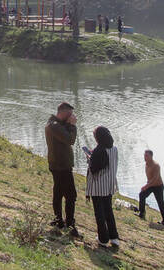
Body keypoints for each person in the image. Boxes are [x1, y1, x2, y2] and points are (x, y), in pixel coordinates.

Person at [45, 102, 81, 237]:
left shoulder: (55, 124)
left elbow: (64, 133)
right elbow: (70, 139)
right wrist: (72, 125)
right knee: (71, 195)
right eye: (70, 114)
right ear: (63, 112)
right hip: (61, 166)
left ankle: (58, 220)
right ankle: (69, 223)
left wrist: (69, 125)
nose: (72, 117)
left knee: (58, 192)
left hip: (58, 164)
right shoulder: (54, 126)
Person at [85, 126, 120, 247]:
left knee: (99, 213)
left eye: (95, 137)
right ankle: (114, 237)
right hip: (110, 184)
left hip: (98, 186)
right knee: (109, 212)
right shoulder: (114, 149)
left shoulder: (99, 151)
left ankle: (103, 239)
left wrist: (89, 158)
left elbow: (94, 168)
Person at [138, 150, 164, 226]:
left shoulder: (156, 165)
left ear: (151, 156)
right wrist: (147, 185)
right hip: (151, 185)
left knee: (160, 203)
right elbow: (149, 177)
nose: (145, 157)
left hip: (158, 186)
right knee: (142, 195)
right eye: (144, 156)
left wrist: (146, 186)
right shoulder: (146, 164)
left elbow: (155, 179)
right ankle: (142, 213)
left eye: (147, 156)